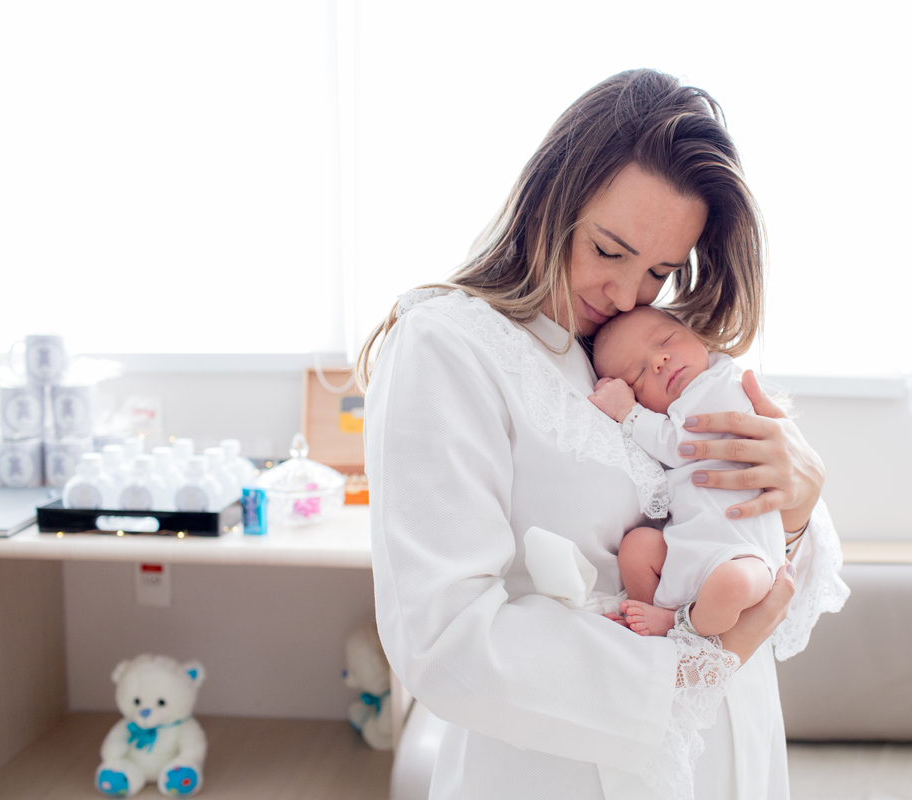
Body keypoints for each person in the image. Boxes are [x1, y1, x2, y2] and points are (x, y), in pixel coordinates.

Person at [359, 69, 849, 800]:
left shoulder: (658, 356)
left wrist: (801, 506)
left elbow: (769, 582)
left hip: (731, 752)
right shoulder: (448, 346)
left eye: (658, 271)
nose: (625, 295)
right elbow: (443, 638)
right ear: (549, 200)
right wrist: (690, 669)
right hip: (557, 770)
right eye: (609, 251)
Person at [588, 305, 787, 639]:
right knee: (637, 548)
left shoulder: (720, 384)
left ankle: (676, 625)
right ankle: (653, 618)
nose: (657, 361)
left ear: (698, 336)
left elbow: (680, 446)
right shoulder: (672, 414)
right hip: (689, 546)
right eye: (637, 375)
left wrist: (627, 410)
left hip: (742, 554)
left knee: (731, 584)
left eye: (666, 339)